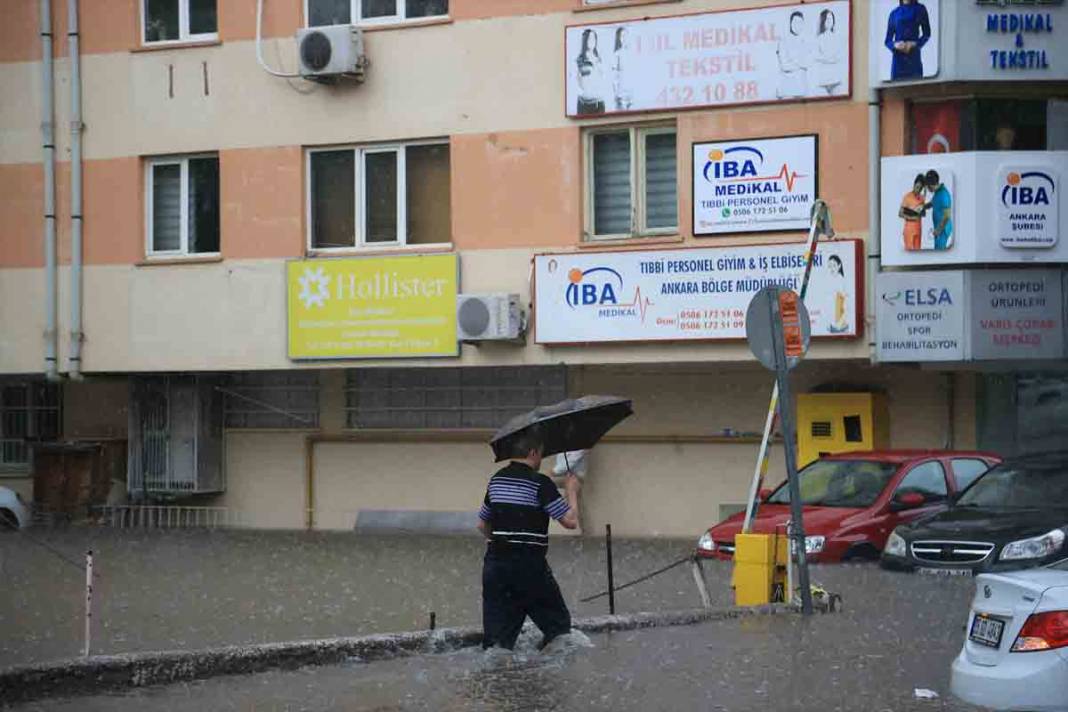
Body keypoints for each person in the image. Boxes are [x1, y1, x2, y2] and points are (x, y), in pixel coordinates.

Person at [477, 428, 582, 650]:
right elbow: (570, 521)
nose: (541, 460)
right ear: (533, 452)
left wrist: (500, 542)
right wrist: (572, 491)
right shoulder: (540, 483)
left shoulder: (496, 480)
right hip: (529, 567)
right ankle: (542, 675)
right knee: (559, 629)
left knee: (497, 643)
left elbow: (482, 525)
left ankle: (498, 681)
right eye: (541, 454)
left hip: (495, 567)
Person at [884, 0, 931, 81]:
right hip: (898, 61)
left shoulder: (920, 9)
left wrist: (915, 44)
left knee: (916, 88)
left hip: (913, 59)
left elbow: (926, 34)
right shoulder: (894, 13)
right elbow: (888, 40)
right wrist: (895, 45)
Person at [776, 10, 810, 99]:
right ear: (790, 23)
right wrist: (800, 64)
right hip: (786, 90)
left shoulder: (805, 42)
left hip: (801, 88)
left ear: (803, 25)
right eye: (794, 22)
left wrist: (794, 62)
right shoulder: (783, 41)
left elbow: (808, 63)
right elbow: (785, 66)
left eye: (799, 23)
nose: (797, 25)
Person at [814, 9, 844, 95]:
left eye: (831, 19)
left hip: (836, 79)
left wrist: (825, 58)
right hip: (822, 81)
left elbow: (838, 57)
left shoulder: (837, 38)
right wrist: (829, 59)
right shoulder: (818, 39)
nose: (829, 21)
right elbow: (816, 56)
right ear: (823, 20)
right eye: (827, 19)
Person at [575, 29, 605, 115]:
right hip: (584, 104)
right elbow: (580, 82)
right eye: (589, 39)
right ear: (585, 40)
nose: (592, 41)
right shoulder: (580, 60)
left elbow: (603, 78)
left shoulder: (599, 59)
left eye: (594, 39)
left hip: (598, 103)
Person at [924, 169, 952, 250]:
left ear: (930, 185)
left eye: (927, 186)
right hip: (937, 227)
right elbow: (933, 202)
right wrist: (923, 207)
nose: (927, 189)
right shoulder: (937, 192)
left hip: (943, 229)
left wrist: (938, 230)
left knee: (939, 251)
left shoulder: (943, 195)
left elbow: (947, 216)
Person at [898, 173, 927, 251]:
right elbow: (900, 213)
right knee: (910, 255)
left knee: (918, 253)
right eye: (917, 187)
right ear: (914, 184)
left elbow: (924, 214)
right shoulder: (907, 197)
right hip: (909, 231)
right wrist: (912, 217)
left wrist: (922, 207)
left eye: (920, 188)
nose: (918, 190)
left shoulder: (921, 198)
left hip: (918, 230)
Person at [611, 27, 632, 111]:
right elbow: (614, 75)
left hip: (631, 92)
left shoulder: (632, 53)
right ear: (619, 39)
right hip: (621, 92)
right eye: (622, 36)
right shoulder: (617, 54)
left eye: (626, 35)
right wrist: (616, 93)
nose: (624, 38)